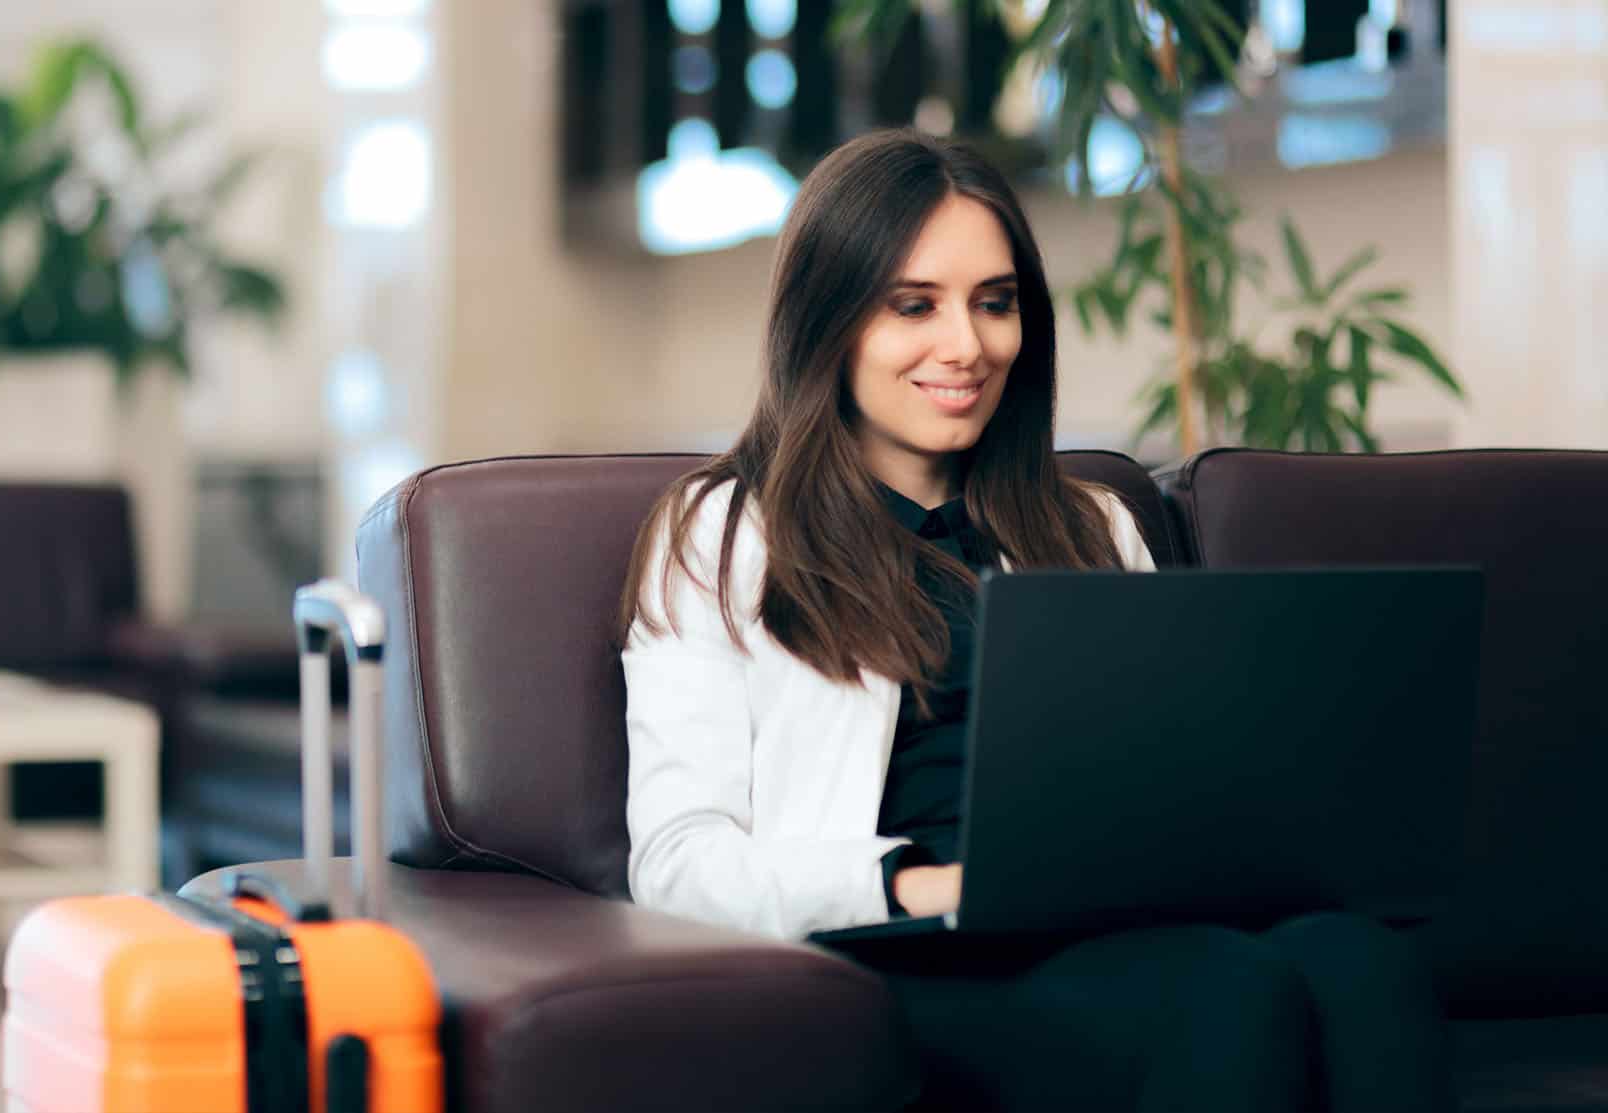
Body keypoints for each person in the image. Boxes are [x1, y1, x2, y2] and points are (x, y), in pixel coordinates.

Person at [616, 129, 1454, 1111]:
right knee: (1223, 993)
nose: (965, 345)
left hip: (1112, 925)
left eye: (994, 304)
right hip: (901, 958)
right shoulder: (719, 536)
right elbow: (676, 865)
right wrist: (917, 883)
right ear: (827, 321)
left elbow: (1169, 789)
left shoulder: (1089, 525)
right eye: (912, 306)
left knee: (1359, 962)